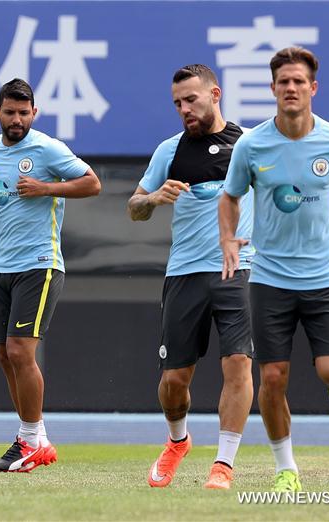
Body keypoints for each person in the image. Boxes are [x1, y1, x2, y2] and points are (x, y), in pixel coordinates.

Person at [219, 47, 329, 492]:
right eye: (283, 82)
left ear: (313, 88)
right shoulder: (251, 145)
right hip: (269, 278)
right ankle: (285, 468)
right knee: (271, 376)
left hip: (326, 277)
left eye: (298, 81)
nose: (291, 88)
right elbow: (229, 196)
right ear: (272, 89)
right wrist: (228, 238)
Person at [0, 78, 101, 472]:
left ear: (34, 113)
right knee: (4, 355)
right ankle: (38, 438)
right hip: (2, 265)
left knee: (19, 350)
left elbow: (92, 183)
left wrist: (46, 187)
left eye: (23, 112)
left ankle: (29, 440)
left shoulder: (48, 148)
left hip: (41, 262)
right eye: (10, 112)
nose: (16, 119)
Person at [128, 64, 255, 490]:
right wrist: (153, 198)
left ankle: (223, 464)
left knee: (237, 362)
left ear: (215, 94)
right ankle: (177, 441)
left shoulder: (250, 144)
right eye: (177, 104)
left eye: (191, 100)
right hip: (184, 274)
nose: (184, 109)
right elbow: (134, 207)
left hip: (238, 269)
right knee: (173, 384)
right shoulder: (170, 151)